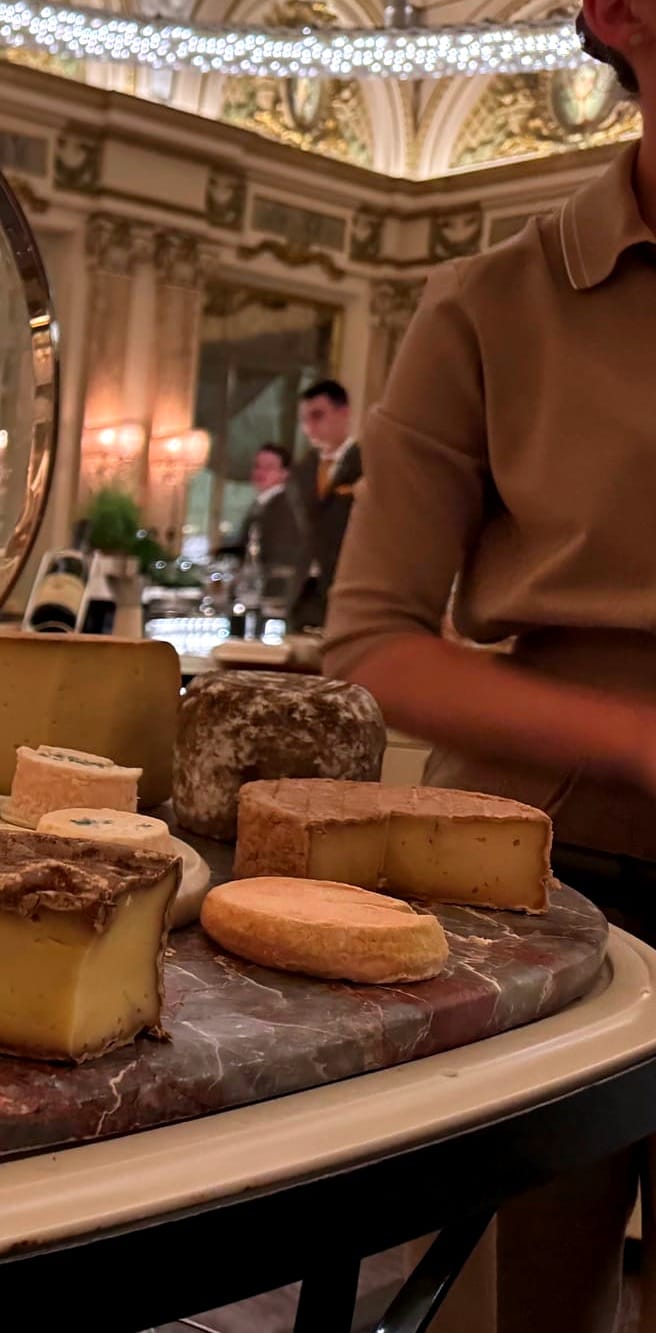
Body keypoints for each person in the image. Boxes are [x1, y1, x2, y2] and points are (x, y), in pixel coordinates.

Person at [323, 7, 655, 1329]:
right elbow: (374, 642)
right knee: (520, 1305)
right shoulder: (492, 302)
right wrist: (636, 739)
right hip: (543, 890)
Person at [289, 378, 360, 629]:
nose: (310, 427)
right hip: (304, 591)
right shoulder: (303, 469)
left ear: (343, 413)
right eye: (304, 419)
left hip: (348, 586)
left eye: (317, 416)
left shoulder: (366, 463)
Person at [216, 444, 308, 614]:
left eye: (269, 467)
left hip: (272, 599)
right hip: (258, 595)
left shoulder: (284, 508)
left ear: (284, 473)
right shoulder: (263, 504)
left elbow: (280, 557)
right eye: (257, 466)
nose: (260, 472)